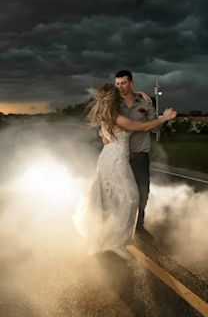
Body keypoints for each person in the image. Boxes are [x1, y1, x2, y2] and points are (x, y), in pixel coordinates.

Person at [73, 84, 176, 260]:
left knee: (111, 199)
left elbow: (103, 135)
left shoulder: (106, 115)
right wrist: (164, 117)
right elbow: (143, 127)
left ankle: (106, 237)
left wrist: (140, 93)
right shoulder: (118, 118)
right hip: (116, 161)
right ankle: (115, 242)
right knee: (130, 198)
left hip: (107, 158)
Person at [113, 70, 156, 238]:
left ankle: (139, 226)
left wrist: (150, 120)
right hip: (120, 156)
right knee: (120, 194)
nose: (120, 87)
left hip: (139, 156)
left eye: (123, 83)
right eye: (117, 84)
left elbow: (156, 125)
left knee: (142, 193)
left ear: (131, 83)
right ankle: (119, 227)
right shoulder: (114, 104)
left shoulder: (145, 103)